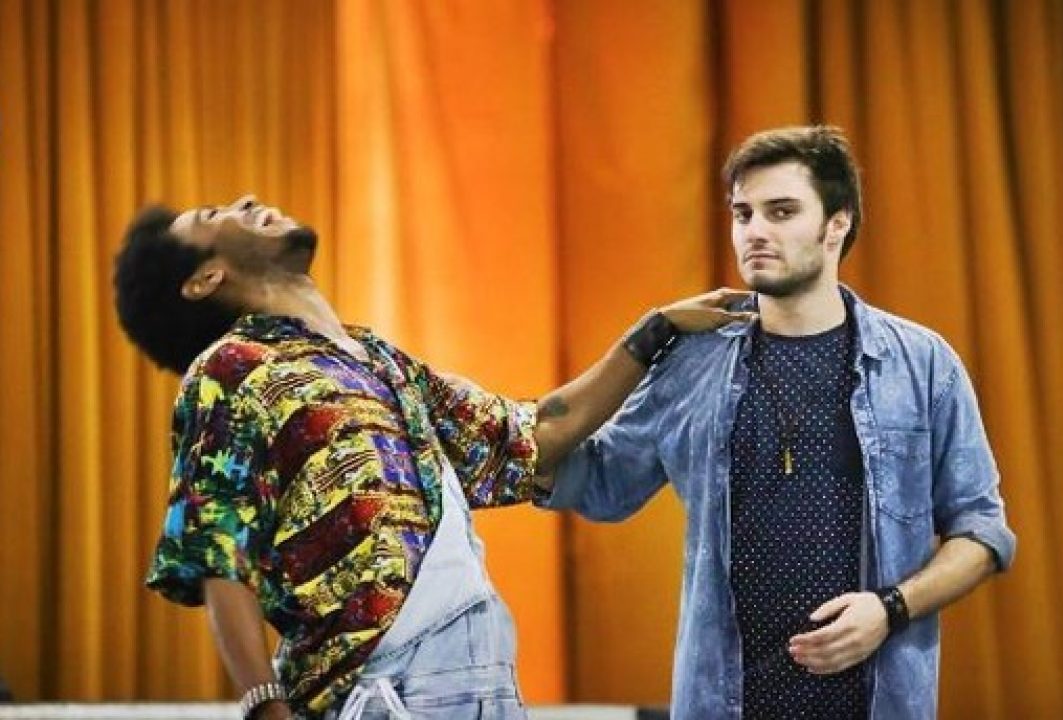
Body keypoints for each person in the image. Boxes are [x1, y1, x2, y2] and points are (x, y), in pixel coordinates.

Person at [113, 195, 754, 720]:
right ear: (205, 279)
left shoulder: (380, 359)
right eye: (213, 214)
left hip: (483, 670)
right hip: (381, 685)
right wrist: (265, 708)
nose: (245, 199)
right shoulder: (230, 370)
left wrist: (656, 329)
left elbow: (536, 432)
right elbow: (218, 554)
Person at [538, 126, 1017, 719]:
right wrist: (647, 334)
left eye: (781, 211)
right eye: (743, 214)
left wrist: (889, 607)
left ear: (836, 224)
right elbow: (594, 478)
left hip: (874, 700)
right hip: (727, 703)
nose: (755, 230)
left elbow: (982, 532)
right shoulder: (691, 361)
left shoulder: (921, 365)